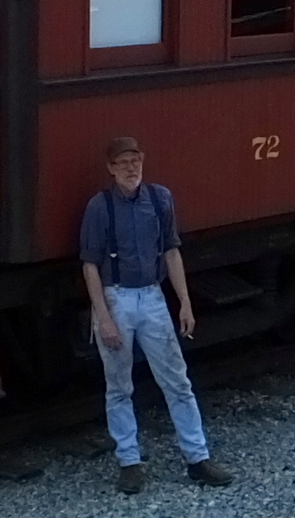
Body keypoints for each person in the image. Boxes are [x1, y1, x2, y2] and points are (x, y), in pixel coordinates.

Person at [79, 136, 233, 494]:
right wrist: (103, 317)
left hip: (151, 297)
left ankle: (198, 458)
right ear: (111, 169)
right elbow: (89, 266)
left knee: (177, 381)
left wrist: (184, 301)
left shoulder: (160, 199)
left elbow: (171, 252)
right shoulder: (100, 207)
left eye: (135, 160)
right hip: (115, 297)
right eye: (123, 163)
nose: (131, 168)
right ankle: (129, 462)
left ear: (142, 161)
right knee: (119, 386)